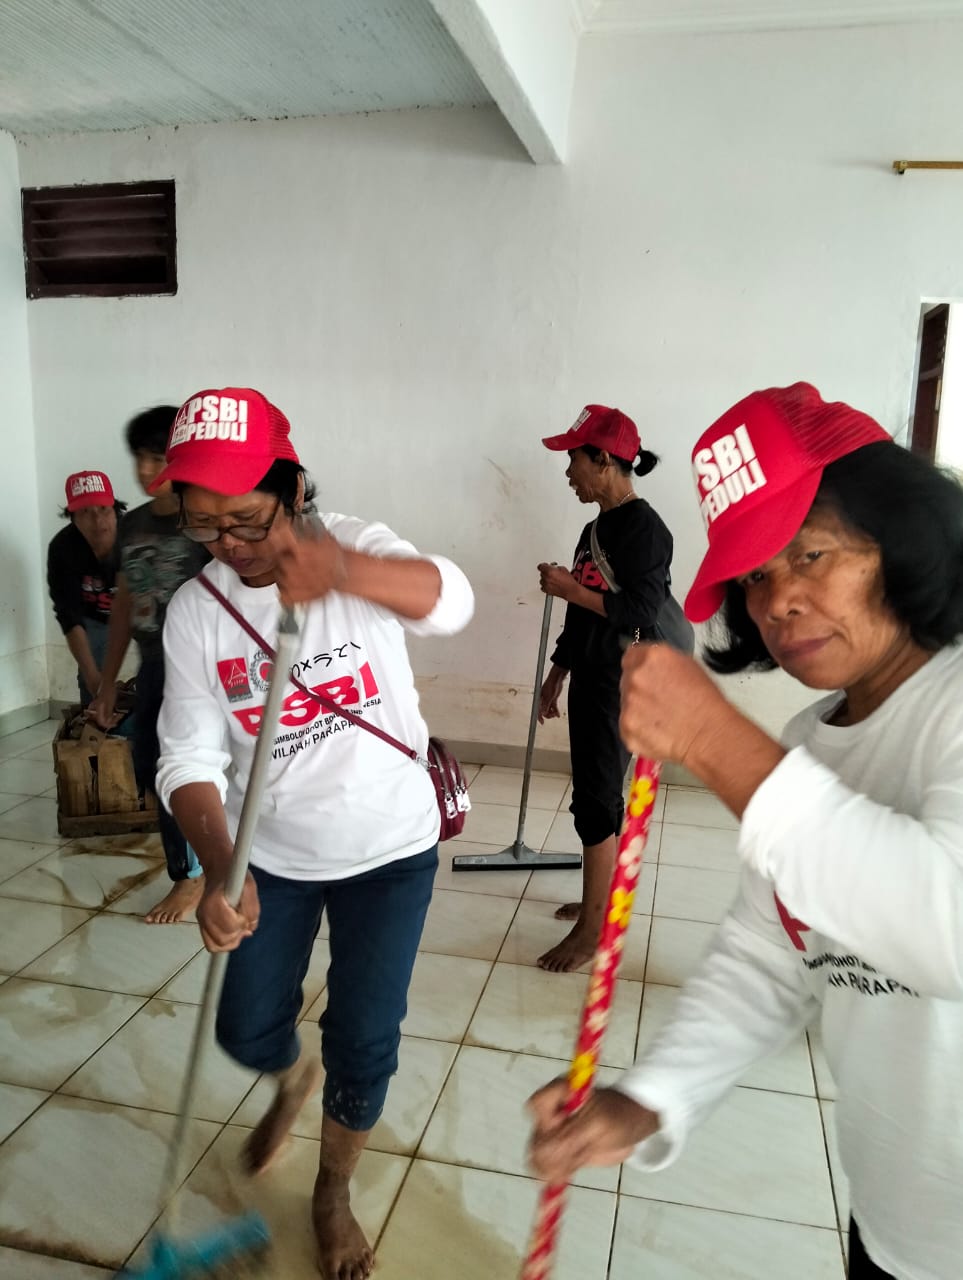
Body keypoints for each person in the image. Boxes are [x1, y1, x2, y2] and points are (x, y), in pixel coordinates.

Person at [528, 383, 963, 1280]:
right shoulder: (813, 743)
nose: (779, 601)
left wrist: (718, 743)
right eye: (756, 574)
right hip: (896, 1225)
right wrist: (652, 1097)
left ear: (902, 539)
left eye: (810, 553)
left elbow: (947, 928)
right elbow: (772, 955)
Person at [152, 387, 474, 1280]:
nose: (230, 545)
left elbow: (450, 600)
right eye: (204, 525)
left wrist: (339, 572)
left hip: (389, 850)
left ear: (291, 491)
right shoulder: (197, 612)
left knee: (364, 1038)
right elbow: (186, 756)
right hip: (273, 857)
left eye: (247, 521)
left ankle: (332, 1191)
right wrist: (221, 865)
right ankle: (293, 1080)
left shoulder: (357, 546)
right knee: (247, 1028)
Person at [535, 404, 674, 972]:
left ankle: (594, 929)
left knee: (594, 799)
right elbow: (583, 618)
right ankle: (602, 900)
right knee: (599, 793)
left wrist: (570, 589)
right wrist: (557, 673)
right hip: (592, 673)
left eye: (575, 461)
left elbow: (641, 610)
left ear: (604, 460)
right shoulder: (595, 530)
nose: (569, 474)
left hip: (621, 681)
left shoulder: (646, 530)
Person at [89, 407, 209, 924]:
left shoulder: (205, 521)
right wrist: (107, 684)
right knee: (153, 766)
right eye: (139, 458)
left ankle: (193, 876)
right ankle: (198, 867)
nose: (144, 470)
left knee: (184, 769)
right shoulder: (133, 525)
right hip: (155, 666)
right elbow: (123, 603)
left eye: (157, 458)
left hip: (202, 668)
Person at [46, 470, 125, 707]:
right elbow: (69, 615)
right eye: (86, 513)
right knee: (91, 677)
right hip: (95, 618)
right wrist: (94, 679)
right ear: (72, 517)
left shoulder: (133, 535)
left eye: (103, 510)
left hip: (140, 611)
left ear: (115, 509)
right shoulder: (62, 549)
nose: (98, 522)